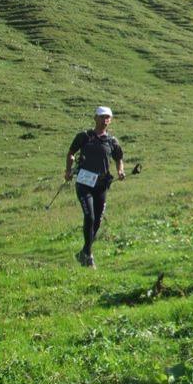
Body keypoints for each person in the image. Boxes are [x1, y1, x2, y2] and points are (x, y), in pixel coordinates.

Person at [65, 106, 125, 268]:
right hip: (84, 183)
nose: (105, 120)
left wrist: (120, 171)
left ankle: (84, 252)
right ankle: (89, 255)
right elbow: (71, 152)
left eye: (108, 117)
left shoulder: (112, 141)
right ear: (95, 118)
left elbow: (119, 158)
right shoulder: (84, 136)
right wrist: (68, 170)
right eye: (102, 117)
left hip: (102, 185)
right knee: (90, 217)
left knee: (97, 220)